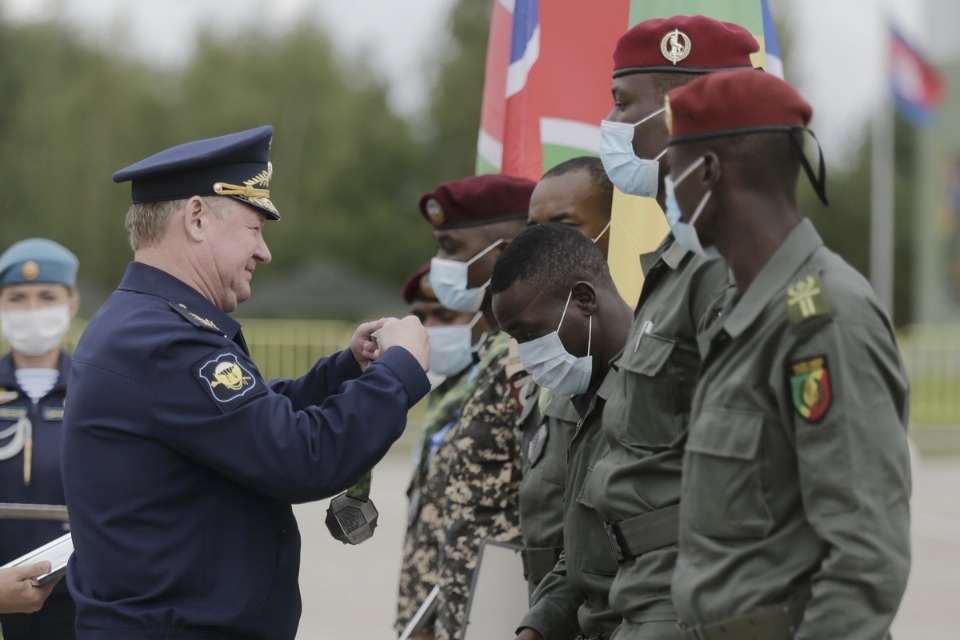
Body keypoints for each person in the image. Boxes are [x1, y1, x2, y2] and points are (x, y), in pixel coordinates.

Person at [61, 125, 432, 640]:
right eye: (255, 228)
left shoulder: (146, 324)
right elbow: (303, 458)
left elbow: (243, 422)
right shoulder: (167, 341)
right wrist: (400, 372)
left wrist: (346, 369)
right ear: (196, 218)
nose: (264, 252)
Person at [664, 69, 911, 640]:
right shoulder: (748, 311)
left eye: (673, 175)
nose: (668, 195)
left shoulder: (823, 320)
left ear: (708, 172)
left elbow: (866, 559)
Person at [585, 15, 759, 640]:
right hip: (644, 589)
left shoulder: (737, 266)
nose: (611, 125)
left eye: (623, 104)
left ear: (681, 113)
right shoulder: (675, 262)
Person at [491, 223, 633, 640]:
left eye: (530, 332)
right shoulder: (587, 400)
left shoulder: (655, 395)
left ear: (584, 300)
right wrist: (536, 628)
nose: (527, 352)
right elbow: (585, 554)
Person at [418, 174, 535, 640]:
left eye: (451, 248)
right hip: (462, 613)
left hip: (512, 614)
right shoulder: (492, 353)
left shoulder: (536, 353)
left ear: (503, 251)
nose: (440, 265)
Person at [516, 157, 613, 611]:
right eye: (533, 229)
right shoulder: (554, 349)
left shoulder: (645, 348)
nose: (544, 245)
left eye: (564, 225)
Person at [395, 262, 486, 637]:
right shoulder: (446, 393)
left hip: (469, 611)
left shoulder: (498, 387)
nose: (429, 328)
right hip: (426, 605)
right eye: (421, 317)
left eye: (445, 316)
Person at [0, 238, 80, 640]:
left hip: (82, 599)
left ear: (72, 304)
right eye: (17, 297)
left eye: (47, 296)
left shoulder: (98, 393)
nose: (32, 310)